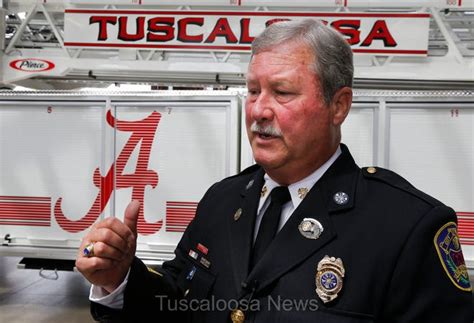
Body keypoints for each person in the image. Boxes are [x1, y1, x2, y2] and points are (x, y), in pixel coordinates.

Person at [76, 19, 473, 322]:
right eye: (253, 90)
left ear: (339, 105)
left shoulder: (407, 227)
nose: (258, 110)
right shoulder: (223, 200)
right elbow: (179, 305)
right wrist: (119, 279)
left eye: (282, 92)